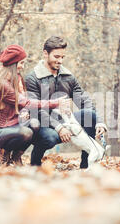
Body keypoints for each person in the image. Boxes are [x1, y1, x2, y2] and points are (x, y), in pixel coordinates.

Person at [25, 36, 107, 168]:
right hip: (42, 123)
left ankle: (86, 165)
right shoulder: (32, 78)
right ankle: (35, 163)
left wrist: (99, 122)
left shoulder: (68, 77)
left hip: (65, 119)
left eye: (62, 57)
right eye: (56, 57)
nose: (60, 61)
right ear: (45, 54)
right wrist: (59, 127)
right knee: (50, 138)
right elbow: (35, 109)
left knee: (89, 115)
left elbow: (84, 101)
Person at [0, 44, 70, 166]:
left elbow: (25, 102)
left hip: (15, 125)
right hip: (1, 130)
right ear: (13, 63)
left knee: (35, 124)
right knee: (26, 133)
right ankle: (4, 151)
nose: (22, 67)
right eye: (20, 63)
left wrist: (25, 112)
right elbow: (26, 102)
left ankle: (16, 156)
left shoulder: (17, 79)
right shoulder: (3, 84)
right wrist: (55, 103)